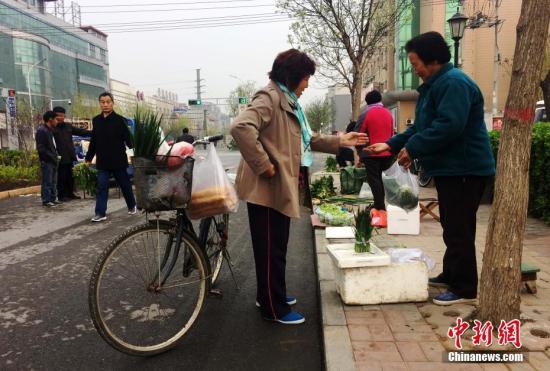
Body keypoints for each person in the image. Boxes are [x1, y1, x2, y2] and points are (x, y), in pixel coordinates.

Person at [230, 49, 367, 325]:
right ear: (293, 76)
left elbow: (305, 139)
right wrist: (264, 165)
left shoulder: (286, 99)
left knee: (273, 246)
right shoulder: (269, 97)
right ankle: (273, 307)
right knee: (271, 248)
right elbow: (241, 127)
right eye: (306, 79)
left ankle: (268, 294)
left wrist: (340, 141)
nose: (307, 85)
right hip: (267, 186)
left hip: (278, 184)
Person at [365, 32, 495, 306]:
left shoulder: (453, 84)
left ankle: (465, 288)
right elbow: (421, 128)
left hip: (465, 168)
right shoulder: (436, 85)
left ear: (432, 59)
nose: (415, 70)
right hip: (451, 169)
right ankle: (452, 273)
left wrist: (413, 148)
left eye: (416, 64)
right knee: (451, 226)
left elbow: (449, 125)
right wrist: (388, 144)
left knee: (459, 228)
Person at [85, 92, 137, 222]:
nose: (105, 104)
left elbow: (129, 140)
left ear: (113, 103)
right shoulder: (96, 120)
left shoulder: (120, 120)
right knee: (102, 186)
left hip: (118, 160)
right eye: (102, 102)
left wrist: (135, 155)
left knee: (125, 185)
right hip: (102, 161)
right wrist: (88, 157)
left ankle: (132, 205)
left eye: (108, 102)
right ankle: (100, 213)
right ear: (100, 104)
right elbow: (94, 140)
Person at [356, 90, 394, 227]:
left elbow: (358, 134)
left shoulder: (366, 113)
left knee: (374, 180)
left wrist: (359, 153)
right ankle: (379, 204)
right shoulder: (389, 113)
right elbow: (391, 133)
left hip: (371, 152)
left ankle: (380, 207)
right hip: (387, 152)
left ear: (367, 102)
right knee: (380, 179)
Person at [52, 106, 92, 201]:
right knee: (62, 177)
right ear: (54, 116)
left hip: (70, 155)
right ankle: (61, 195)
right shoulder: (52, 128)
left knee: (70, 176)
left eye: (62, 115)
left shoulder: (68, 126)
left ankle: (70, 194)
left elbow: (81, 132)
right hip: (60, 156)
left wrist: (93, 133)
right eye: (58, 115)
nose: (60, 118)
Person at [36, 111, 60, 207]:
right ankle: (46, 200)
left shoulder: (49, 130)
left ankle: (53, 198)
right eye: (56, 119)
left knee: (53, 181)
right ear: (50, 119)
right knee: (47, 181)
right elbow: (41, 148)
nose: (57, 121)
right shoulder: (42, 131)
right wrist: (50, 157)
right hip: (47, 161)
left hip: (53, 160)